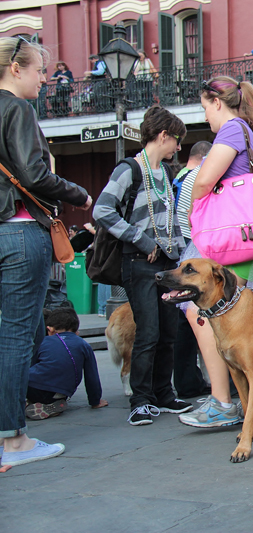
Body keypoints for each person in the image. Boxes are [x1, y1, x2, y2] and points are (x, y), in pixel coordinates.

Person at [1, 35, 92, 468]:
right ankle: (13, 440)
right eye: (39, 69)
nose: (45, 78)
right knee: (18, 337)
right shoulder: (16, 108)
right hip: (18, 232)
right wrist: (78, 193)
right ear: (15, 69)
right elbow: (34, 174)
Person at [180, 77, 253, 427]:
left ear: (217, 102)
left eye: (205, 107)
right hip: (242, 236)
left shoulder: (231, 130)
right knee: (240, 319)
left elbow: (205, 180)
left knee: (204, 312)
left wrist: (192, 205)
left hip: (223, 237)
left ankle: (222, 401)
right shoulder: (246, 130)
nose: (205, 115)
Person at [93, 105, 192, 426]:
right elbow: (102, 210)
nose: (178, 147)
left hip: (166, 264)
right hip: (138, 262)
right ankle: (141, 399)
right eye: (176, 140)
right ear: (163, 135)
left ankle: (163, 393)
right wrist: (141, 239)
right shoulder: (129, 170)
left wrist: (179, 257)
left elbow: (171, 220)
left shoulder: (163, 172)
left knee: (168, 331)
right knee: (147, 332)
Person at [171, 140, 212, 399]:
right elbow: (190, 215)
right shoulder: (201, 176)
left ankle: (188, 383)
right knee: (197, 317)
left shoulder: (186, 176)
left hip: (190, 246)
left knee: (188, 320)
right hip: (197, 247)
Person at [26, 308, 108, 420]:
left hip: (32, 388)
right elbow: (91, 376)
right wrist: (95, 401)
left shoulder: (43, 342)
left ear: (50, 330)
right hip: (59, 393)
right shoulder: (83, 345)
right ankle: (53, 404)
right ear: (77, 332)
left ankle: (23, 402)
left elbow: (29, 365)